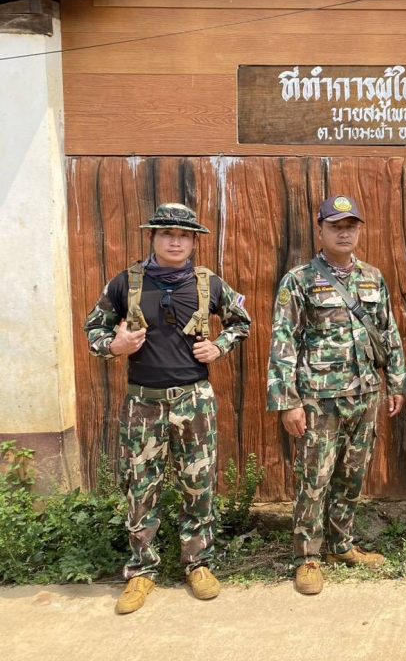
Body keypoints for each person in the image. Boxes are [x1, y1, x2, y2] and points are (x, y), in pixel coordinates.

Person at [84, 202, 251, 614]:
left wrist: (219, 346)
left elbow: (241, 322)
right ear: (153, 238)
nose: (175, 242)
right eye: (167, 234)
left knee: (199, 485)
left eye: (183, 236)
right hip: (143, 403)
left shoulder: (210, 284)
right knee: (140, 488)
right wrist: (116, 345)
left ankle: (198, 563)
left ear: (193, 242)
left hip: (194, 400)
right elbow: (94, 329)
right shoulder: (125, 283)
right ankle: (142, 570)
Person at [267, 195, 406, 595]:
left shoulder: (372, 278)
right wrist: (288, 402)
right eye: (335, 226)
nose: (344, 233)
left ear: (359, 230)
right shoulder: (299, 280)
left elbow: (388, 331)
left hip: (365, 394)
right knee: (315, 479)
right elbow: (283, 342)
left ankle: (341, 545)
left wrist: (396, 381)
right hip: (319, 400)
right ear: (321, 230)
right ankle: (307, 557)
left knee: (351, 475)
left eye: (351, 226)